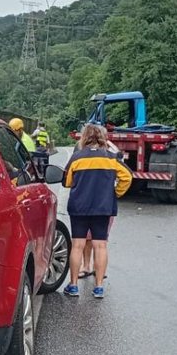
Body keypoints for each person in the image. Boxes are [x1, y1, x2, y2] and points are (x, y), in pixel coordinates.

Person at [62, 123, 132, 298]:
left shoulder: (76, 158)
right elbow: (127, 177)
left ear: (84, 137)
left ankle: (73, 285)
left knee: (77, 245)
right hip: (103, 206)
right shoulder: (111, 158)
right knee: (100, 245)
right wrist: (116, 193)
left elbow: (67, 182)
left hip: (79, 207)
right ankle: (99, 287)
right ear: (103, 137)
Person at [80, 138, 123, 278]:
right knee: (100, 240)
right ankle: (97, 271)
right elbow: (126, 177)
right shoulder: (111, 152)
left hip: (86, 203)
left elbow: (70, 179)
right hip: (105, 204)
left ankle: (88, 267)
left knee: (89, 238)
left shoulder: (82, 153)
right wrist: (116, 193)